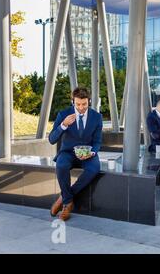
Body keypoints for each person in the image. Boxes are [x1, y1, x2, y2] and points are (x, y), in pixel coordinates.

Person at [48, 87, 103, 221]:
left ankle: (65, 197)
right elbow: (52, 139)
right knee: (61, 165)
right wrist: (63, 125)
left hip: (87, 153)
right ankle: (68, 204)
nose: (81, 107)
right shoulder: (63, 114)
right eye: (77, 104)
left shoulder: (96, 117)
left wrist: (92, 152)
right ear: (73, 102)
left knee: (94, 168)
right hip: (68, 153)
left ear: (89, 101)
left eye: (84, 104)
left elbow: (97, 141)